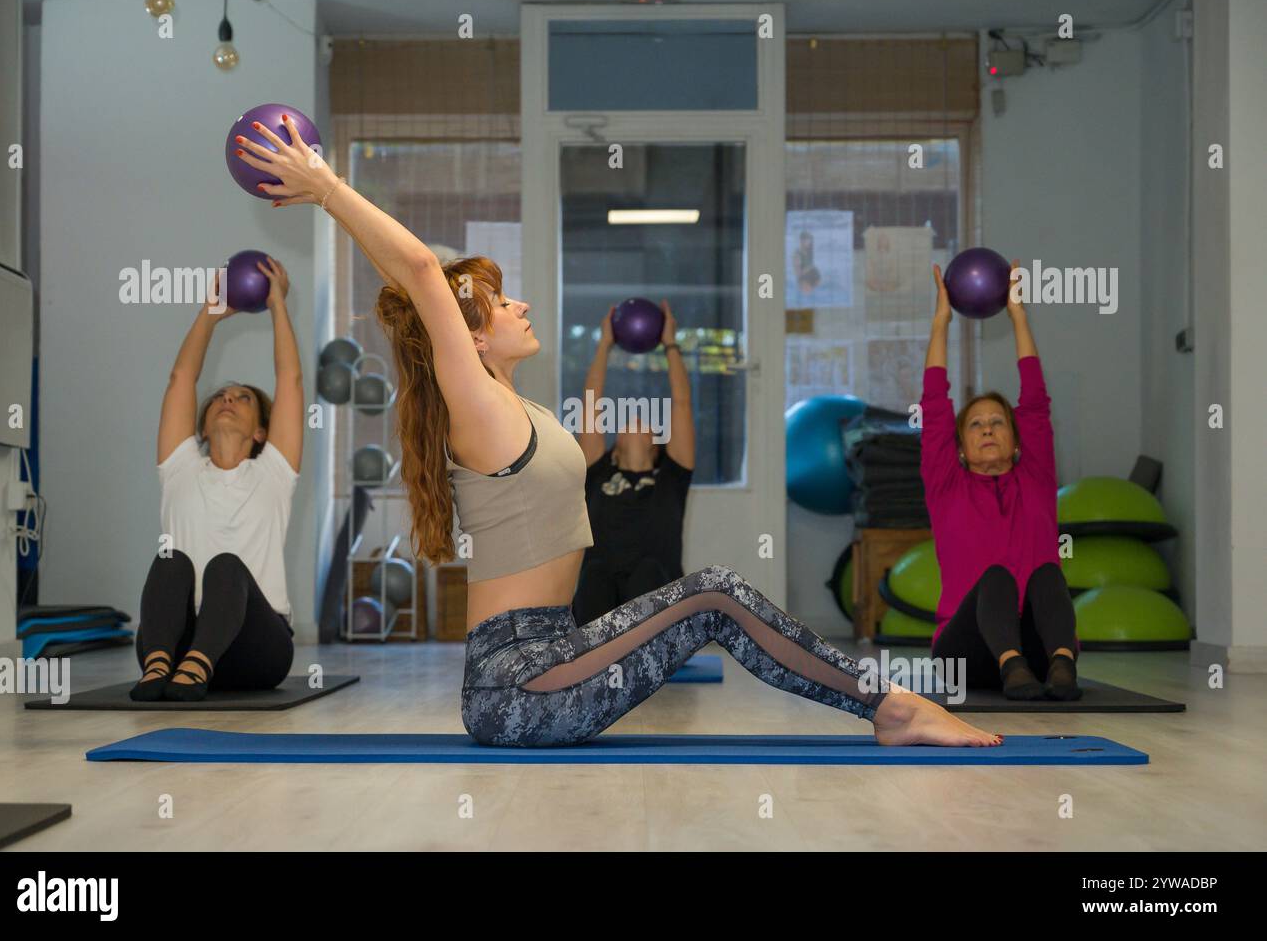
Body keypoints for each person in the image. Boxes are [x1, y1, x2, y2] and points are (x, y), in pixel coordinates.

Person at [234, 114, 1001, 747]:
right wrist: (327, 188)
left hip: (552, 654)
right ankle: (889, 707)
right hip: (518, 683)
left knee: (711, 599)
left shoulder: (523, 411)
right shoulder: (473, 405)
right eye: (502, 305)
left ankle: (885, 707)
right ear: (468, 339)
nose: (521, 307)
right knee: (714, 595)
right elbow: (425, 276)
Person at [132, 258, 301, 702]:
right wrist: (209, 313)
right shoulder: (180, 467)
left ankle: (198, 665)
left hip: (256, 649)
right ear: (201, 428)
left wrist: (277, 303)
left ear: (261, 430)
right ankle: (160, 668)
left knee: (226, 566)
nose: (228, 399)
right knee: (171, 560)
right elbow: (180, 378)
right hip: (173, 645)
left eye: (243, 398)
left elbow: (290, 379)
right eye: (220, 398)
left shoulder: (273, 473)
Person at [922, 260, 1082, 701]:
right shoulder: (946, 486)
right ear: (959, 448)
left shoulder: (1035, 479)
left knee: (1048, 573)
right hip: (966, 656)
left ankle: (1063, 665)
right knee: (996, 578)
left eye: (998, 422)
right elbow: (934, 404)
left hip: (1038, 652)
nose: (988, 429)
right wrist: (941, 322)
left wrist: (1018, 316)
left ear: (1016, 443)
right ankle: (1011, 667)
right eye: (976, 425)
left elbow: (1035, 401)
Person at [572, 300, 694, 626]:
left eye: (647, 423)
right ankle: (595, 650)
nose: (636, 419)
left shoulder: (672, 474)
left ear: (658, 446)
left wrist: (669, 343)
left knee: (649, 571)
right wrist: (604, 344)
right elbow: (590, 404)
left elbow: (681, 403)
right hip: (603, 589)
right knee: (594, 572)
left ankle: (638, 647)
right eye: (626, 421)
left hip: (654, 590)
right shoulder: (599, 471)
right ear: (613, 450)